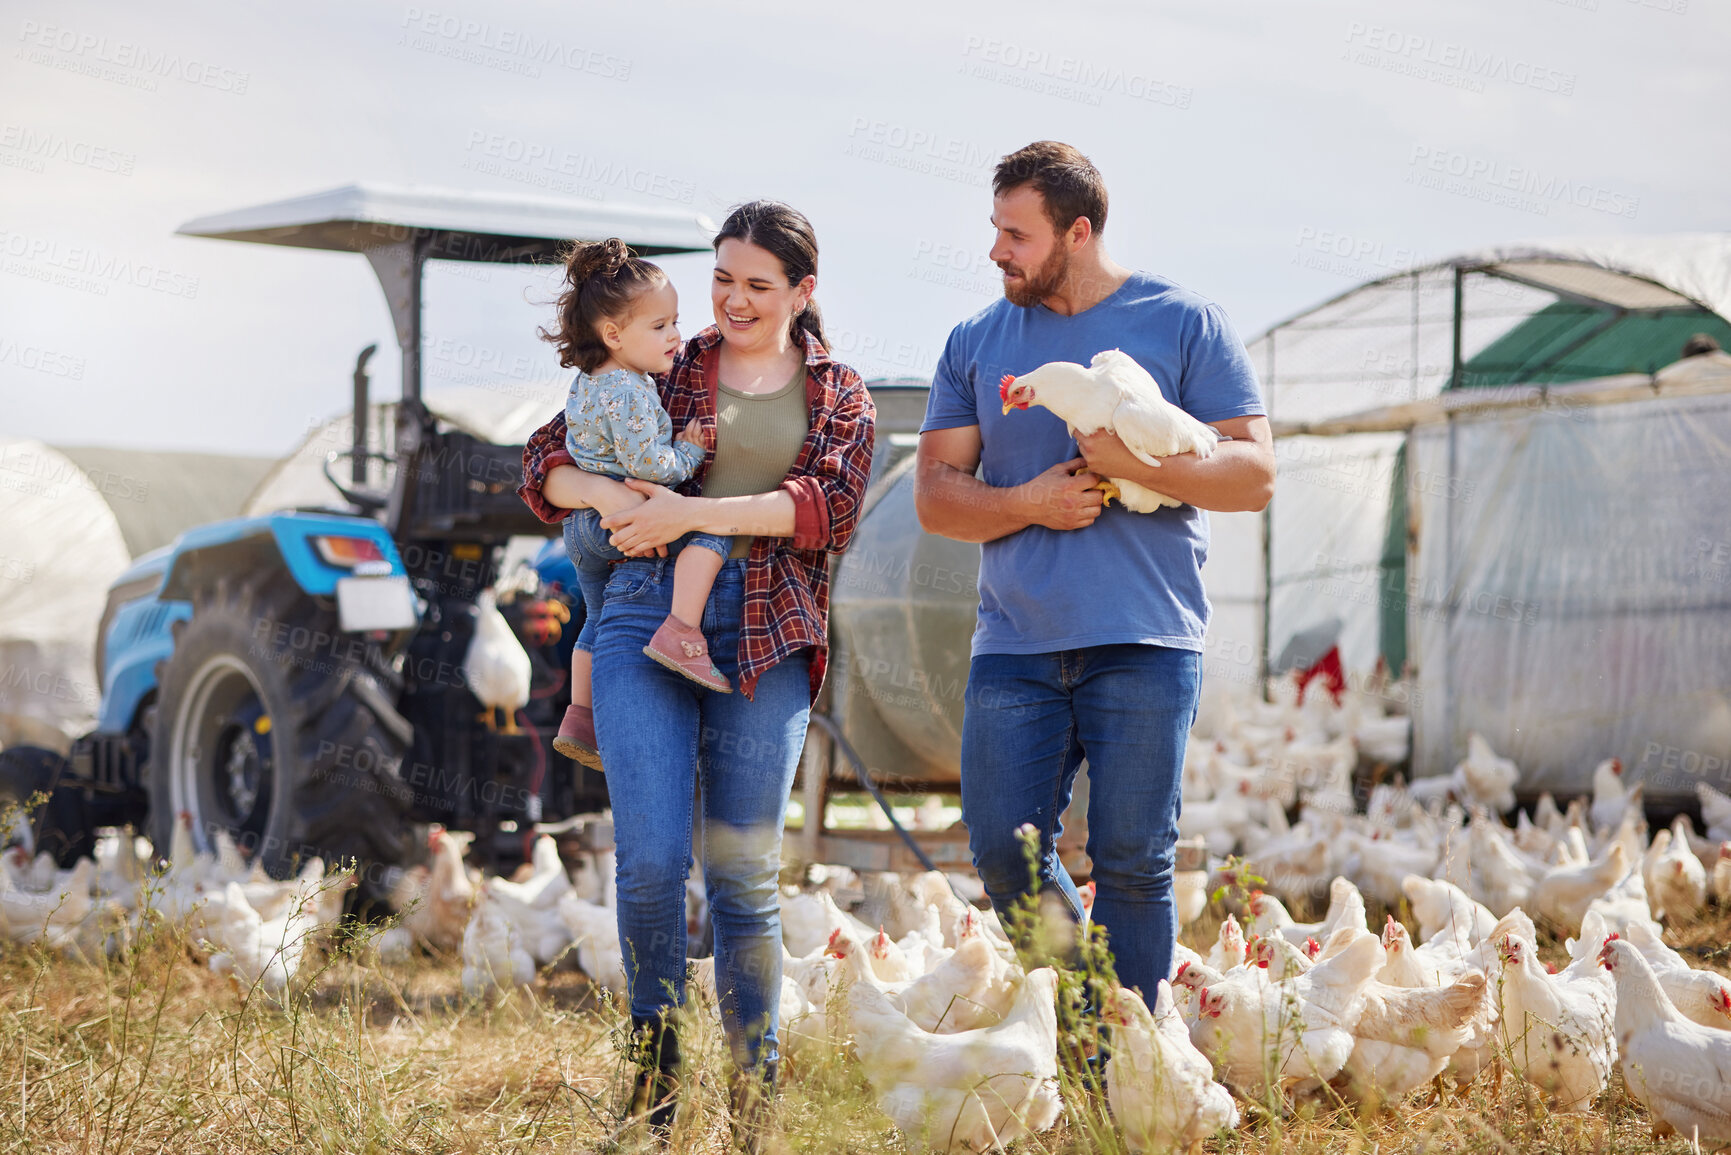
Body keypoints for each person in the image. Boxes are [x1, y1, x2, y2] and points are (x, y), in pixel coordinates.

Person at [517, 201, 874, 1142]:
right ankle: (656, 1096)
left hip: (764, 630)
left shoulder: (838, 388)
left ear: (803, 291)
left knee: (742, 879)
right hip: (642, 616)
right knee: (648, 866)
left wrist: (689, 516)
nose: (734, 299)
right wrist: (596, 490)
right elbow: (544, 458)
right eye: (723, 278)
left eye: (759, 284)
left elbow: (827, 507)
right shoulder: (672, 357)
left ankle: (754, 1105)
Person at [913, 141, 1276, 1003]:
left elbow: (1254, 475)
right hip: (1015, 642)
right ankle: (1092, 1017)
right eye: (995, 230)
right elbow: (933, 494)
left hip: (1144, 637)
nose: (996, 250)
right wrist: (1029, 502)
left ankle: (1132, 1074)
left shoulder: (1184, 321)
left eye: (1016, 234)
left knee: (1133, 860)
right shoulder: (976, 339)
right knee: (1002, 846)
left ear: (1077, 233)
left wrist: (1135, 465)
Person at [539, 238, 735, 773]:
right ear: (614, 335)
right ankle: (681, 632)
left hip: (581, 529)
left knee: (596, 620)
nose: (675, 336)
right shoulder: (629, 390)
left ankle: (581, 718)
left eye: (675, 322)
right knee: (713, 530)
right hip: (620, 520)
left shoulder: (587, 383)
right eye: (660, 327)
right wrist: (690, 451)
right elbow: (649, 465)